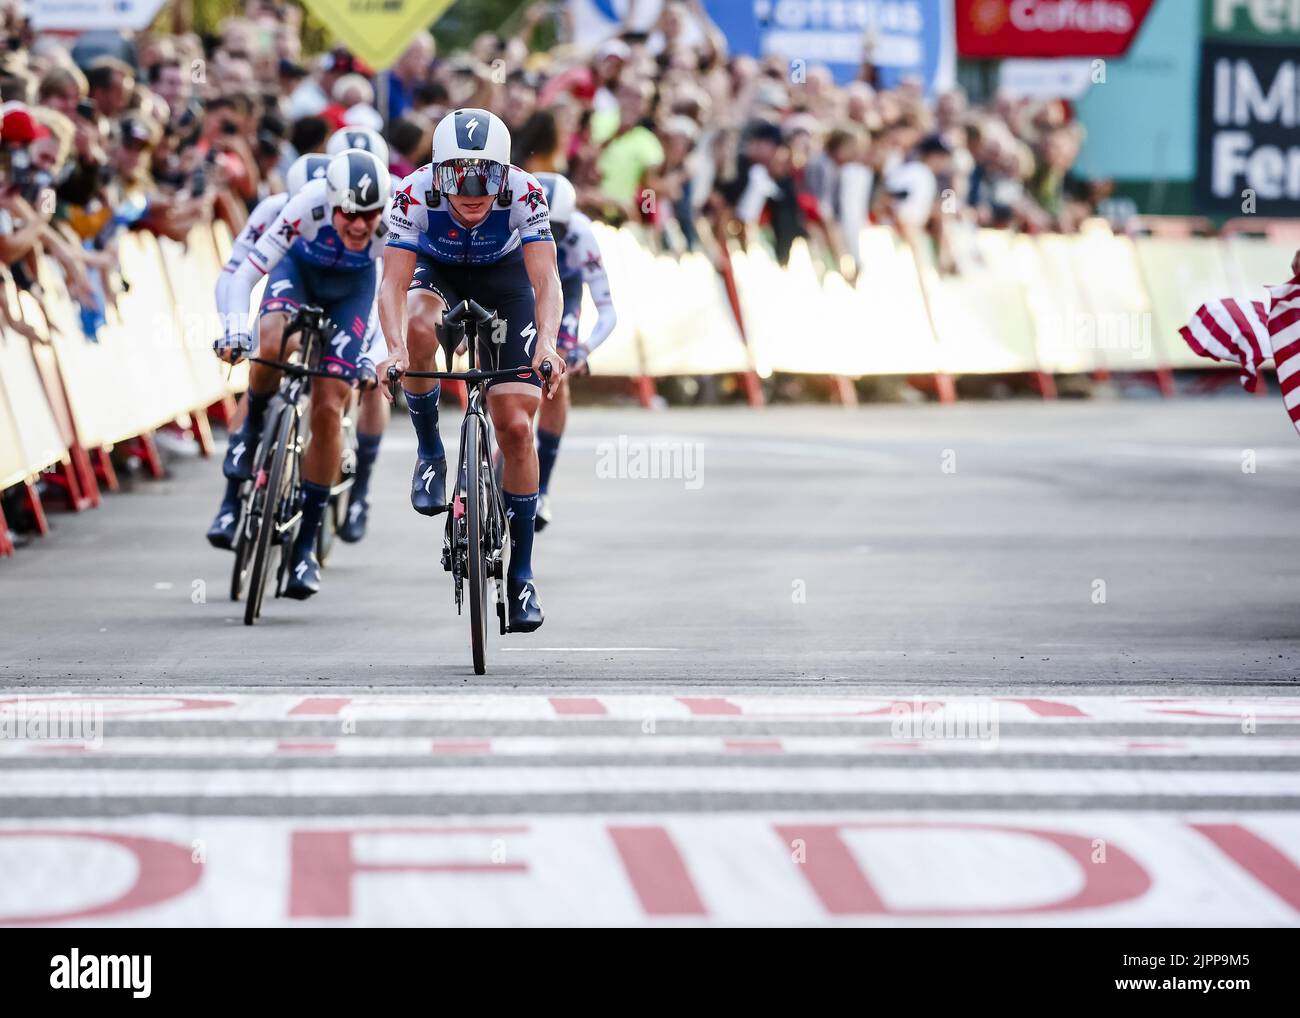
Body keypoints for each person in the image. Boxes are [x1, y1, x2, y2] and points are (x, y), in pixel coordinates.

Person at [377, 108, 566, 633]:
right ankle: (431, 454)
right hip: (436, 272)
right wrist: (393, 350)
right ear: (437, 173)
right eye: (458, 174)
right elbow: (392, 284)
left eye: (486, 175)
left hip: (504, 281)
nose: (473, 189)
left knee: (515, 426)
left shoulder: (526, 192)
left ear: (505, 174)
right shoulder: (412, 193)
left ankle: (523, 575)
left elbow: (546, 280)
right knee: (418, 326)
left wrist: (547, 344)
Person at [210, 149, 390, 599]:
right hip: (299, 274)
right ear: (329, 202)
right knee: (269, 339)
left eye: (368, 214)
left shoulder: (392, 223)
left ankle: (306, 545)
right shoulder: (302, 204)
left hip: (354, 291)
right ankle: (251, 434)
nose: (358, 224)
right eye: (349, 212)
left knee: (330, 406)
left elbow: (394, 301)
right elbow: (243, 276)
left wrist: (373, 356)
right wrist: (235, 332)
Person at [532, 172, 617, 532]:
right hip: (518, 283)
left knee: (557, 375)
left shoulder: (582, 235)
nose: (549, 237)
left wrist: (583, 348)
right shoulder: (509, 220)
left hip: (561, 290)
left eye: (557, 230)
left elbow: (608, 311)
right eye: (541, 227)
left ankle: (543, 486)